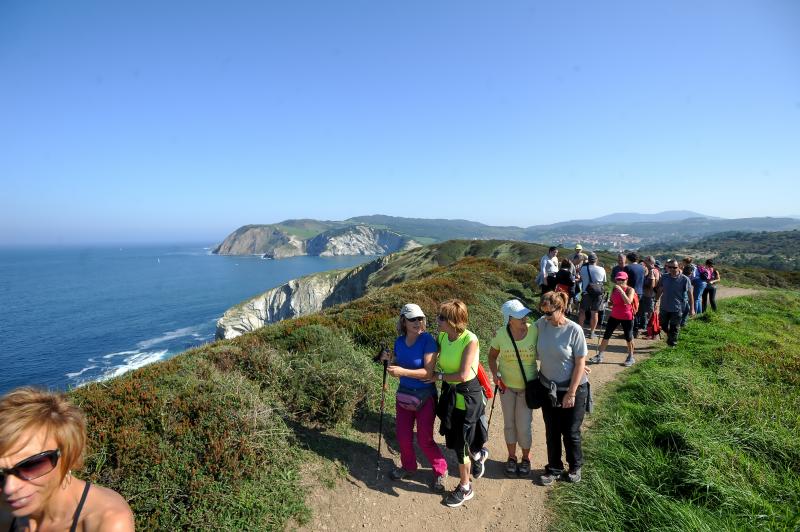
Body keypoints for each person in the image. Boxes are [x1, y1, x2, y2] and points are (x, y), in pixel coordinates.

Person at [0, 387, 135, 532]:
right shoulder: (6, 511)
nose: (9, 488)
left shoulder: (106, 522)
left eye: (32, 465)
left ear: (68, 455)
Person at [386, 303, 448, 492]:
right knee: (403, 436)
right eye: (412, 319)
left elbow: (428, 373)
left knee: (424, 439)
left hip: (425, 397)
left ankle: (440, 470)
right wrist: (389, 362)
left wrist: (402, 371)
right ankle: (408, 467)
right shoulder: (399, 342)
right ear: (403, 321)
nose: (417, 322)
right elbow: (395, 367)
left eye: (420, 318)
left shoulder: (428, 340)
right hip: (404, 395)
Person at [433, 299, 488, 508]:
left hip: (467, 398)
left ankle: (466, 487)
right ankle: (479, 454)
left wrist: (437, 377)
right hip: (451, 396)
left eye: (441, 317)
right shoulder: (443, 336)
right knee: (457, 439)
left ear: (454, 321)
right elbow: (429, 356)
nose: (437, 320)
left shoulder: (470, 340)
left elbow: (464, 374)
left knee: (460, 445)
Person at [535, 291, 589, 486]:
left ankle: (575, 466)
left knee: (571, 431)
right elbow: (523, 337)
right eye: (543, 312)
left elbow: (580, 361)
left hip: (574, 387)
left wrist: (571, 393)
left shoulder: (574, 330)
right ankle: (555, 468)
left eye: (549, 313)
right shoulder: (541, 324)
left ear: (561, 309)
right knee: (552, 431)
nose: (545, 316)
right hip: (549, 388)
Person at [488, 300, 537, 478]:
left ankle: (526, 458)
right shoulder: (501, 334)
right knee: (509, 424)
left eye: (524, 314)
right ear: (510, 319)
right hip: (506, 387)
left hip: (528, 388)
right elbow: (492, 357)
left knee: (523, 426)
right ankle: (511, 457)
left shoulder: (534, 330)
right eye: (519, 316)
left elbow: (549, 348)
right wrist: (495, 374)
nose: (525, 318)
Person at [590, 271, 636, 367]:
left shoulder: (630, 289)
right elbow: (612, 302)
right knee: (606, 335)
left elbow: (628, 301)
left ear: (626, 280)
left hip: (627, 317)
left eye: (622, 280)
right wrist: (607, 303)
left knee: (628, 337)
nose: (619, 281)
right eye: (618, 279)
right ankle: (600, 355)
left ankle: (631, 357)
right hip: (614, 315)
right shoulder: (614, 289)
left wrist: (621, 291)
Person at [656, 259, 694, 347]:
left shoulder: (685, 279)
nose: (672, 269)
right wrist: (656, 300)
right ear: (667, 267)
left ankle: (672, 344)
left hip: (677, 308)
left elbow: (690, 294)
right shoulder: (664, 277)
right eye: (670, 267)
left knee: (674, 327)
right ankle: (670, 337)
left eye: (674, 267)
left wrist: (692, 309)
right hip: (664, 306)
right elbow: (660, 290)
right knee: (663, 324)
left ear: (679, 267)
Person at [576, 253, 606, 340]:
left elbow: (581, 279)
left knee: (582, 311)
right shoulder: (602, 269)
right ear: (596, 260)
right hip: (598, 294)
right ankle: (592, 333)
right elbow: (603, 281)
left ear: (588, 260)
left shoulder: (583, 268)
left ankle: (580, 331)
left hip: (586, 293)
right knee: (594, 313)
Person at [624, 252, 646, 338]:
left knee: (629, 312)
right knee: (636, 312)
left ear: (628, 259)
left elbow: (624, 280)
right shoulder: (642, 268)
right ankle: (636, 330)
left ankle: (631, 332)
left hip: (630, 292)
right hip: (640, 292)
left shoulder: (627, 268)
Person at [640, 256, 661, 337]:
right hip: (652, 295)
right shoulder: (656, 270)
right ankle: (651, 330)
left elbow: (651, 285)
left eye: (645, 261)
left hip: (649, 295)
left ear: (649, 261)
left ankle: (651, 332)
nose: (644, 262)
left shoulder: (652, 271)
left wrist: (643, 284)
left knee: (650, 313)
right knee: (651, 312)